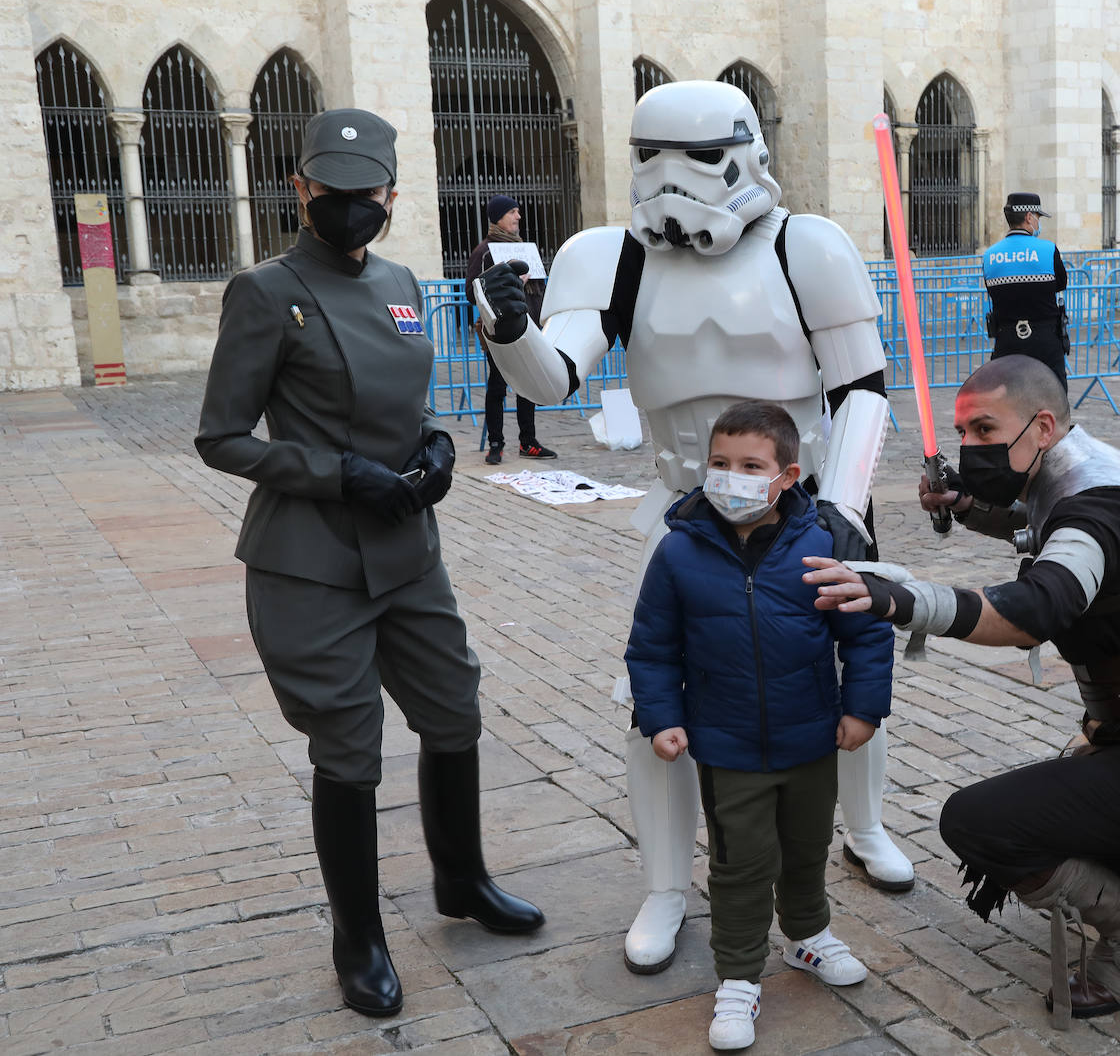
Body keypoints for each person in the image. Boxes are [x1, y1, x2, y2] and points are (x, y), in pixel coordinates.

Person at [472, 80, 913, 976]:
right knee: (656, 697)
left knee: (842, 667)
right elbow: (553, 378)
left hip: (810, 509)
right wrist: (508, 327)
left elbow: (861, 390)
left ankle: (862, 828)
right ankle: (667, 884)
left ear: (747, 151)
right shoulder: (610, 257)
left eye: (699, 156)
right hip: (682, 518)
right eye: (650, 157)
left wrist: (848, 512)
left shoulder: (807, 246)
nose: (672, 178)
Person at [801, 355, 1120, 1029]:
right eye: (963, 431)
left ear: (1041, 427)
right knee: (1070, 792)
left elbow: (1037, 607)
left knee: (981, 824)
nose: (970, 447)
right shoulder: (1085, 468)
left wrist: (901, 600)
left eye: (985, 429)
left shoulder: (1099, 507)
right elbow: (1034, 521)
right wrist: (968, 506)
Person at [195, 108, 544, 1018]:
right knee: (349, 747)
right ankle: (359, 939)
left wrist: (435, 447)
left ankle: (461, 880)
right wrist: (335, 471)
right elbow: (221, 438)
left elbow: (408, 395)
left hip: (405, 545)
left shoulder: (398, 281)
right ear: (302, 190)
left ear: (392, 196)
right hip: (311, 558)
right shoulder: (266, 291)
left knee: (453, 708)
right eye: (333, 193)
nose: (352, 208)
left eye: (368, 195)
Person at [627, 401, 893, 1051]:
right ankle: (740, 975)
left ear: (787, 475)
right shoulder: (679, 551)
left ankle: (806, 935)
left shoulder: (824, 541)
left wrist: (862, 709)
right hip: (727, 744)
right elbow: (652, 647)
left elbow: (865, 632)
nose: (730, 477)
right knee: (741, 863)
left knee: (805, 848)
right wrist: (661, 718)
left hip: (811, 737)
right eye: (720, 464)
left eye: (751, 465)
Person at [465, 195, 557, 464]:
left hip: (528, 329)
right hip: (499, 331)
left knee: (528, 386)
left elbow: (537, 288)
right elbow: (473, 291)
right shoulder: (485, 251)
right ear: (498, 217)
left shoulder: (525, 248)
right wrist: (508, 282)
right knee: (497, 387)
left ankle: (528, 441)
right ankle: (496, 443)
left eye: (518, 211)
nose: (518, 216)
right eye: (512, 212)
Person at [982, 192, 1070, 388]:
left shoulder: (990, 255)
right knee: (1053, 397)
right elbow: (1061, 284)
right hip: (1045, 340)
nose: (1038, 224)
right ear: (1029, 217)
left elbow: (992, 291)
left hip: (1007, 340)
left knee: (1009, 400)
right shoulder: (1048, 250)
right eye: (1038, 218)